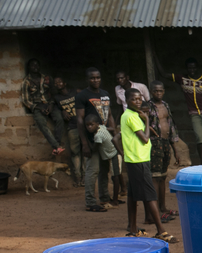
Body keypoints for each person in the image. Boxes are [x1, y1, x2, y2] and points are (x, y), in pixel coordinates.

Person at [120, 88, 176, 242]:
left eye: (139, 99)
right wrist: (146, 120)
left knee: (132, 195)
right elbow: (145, 138)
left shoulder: (131, 115)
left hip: (135, 159)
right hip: (138, 160)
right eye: (134, 99)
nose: (138, 102)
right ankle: (161, 231)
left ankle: (132, 229)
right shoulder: (132, 117)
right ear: (126, 101)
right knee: (150, 195)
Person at [157, 56, 202, 166]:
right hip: (194, 114)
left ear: (197, 68)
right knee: (200, 137)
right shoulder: (182, 79)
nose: (192, 70)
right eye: (189, 68)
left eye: (193, 68)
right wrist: (155, 57)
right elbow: (164, 74)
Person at [75, 67, 115, 212]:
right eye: (92, 78)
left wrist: (114, 133)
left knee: (105, 170)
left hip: (105, 138)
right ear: (87, 79)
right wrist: (85, 143)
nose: (95, 80)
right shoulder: (82, 96)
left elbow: (109, 115)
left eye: (97, 77)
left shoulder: (105, 94)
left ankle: (105, 198)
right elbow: (79, 120)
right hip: (91, 139)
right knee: (92, 170)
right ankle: (90, 202)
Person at [146, 81, 180, 221]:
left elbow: (171, 126)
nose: (158, 93)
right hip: (155, 143)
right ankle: (155, 212)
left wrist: (175, 148)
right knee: (155, 176)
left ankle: (163, 207)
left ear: (163, 91)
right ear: (151, 91)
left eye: (160, 91)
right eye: (155, 91)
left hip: (165, 143)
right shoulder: (147, 107)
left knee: (163, 176)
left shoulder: (165, 105)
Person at [21, 59, 66, 157]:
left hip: (50, 104)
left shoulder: (47, 78)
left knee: (59, 119)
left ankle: (57, 145)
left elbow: (54, 92)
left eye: (37, 65)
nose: (35, 67)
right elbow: (25, 100)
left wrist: (51, 104)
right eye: (33, 65)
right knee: (41, 123)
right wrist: (37, 107)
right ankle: (56, 146)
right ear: (29, 67)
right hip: (38, 107)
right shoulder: (26, 82)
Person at [52, 76, 83, 185]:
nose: (58, 84)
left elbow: (88, 96)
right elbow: (55, 110)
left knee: (87, 151)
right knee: (75, 152)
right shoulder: (56, 98)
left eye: (60, 81)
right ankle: (78, 177)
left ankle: (86, 177)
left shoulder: (75, 91)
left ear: (65, 83)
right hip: (72, 126)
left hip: (84, 125)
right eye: (55, 83)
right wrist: (62, 112)